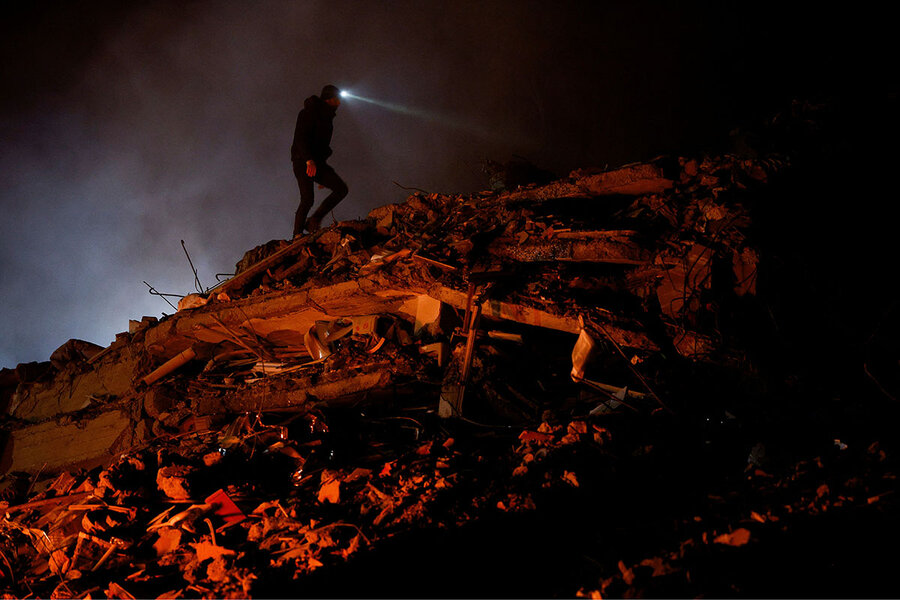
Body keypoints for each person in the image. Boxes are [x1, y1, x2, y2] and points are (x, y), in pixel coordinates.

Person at [290, 84, 349, 236]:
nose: (340, 103)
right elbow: (300, 138)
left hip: (317, 163)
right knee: (307, 199)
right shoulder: (309, 112)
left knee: (341, 189)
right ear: (330, 99)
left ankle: (313, 220)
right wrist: (308, 160)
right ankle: (297, 235)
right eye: (338, 99)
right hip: (302, 160)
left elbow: (322, 146)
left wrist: (322, 170)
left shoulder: (327, 118)